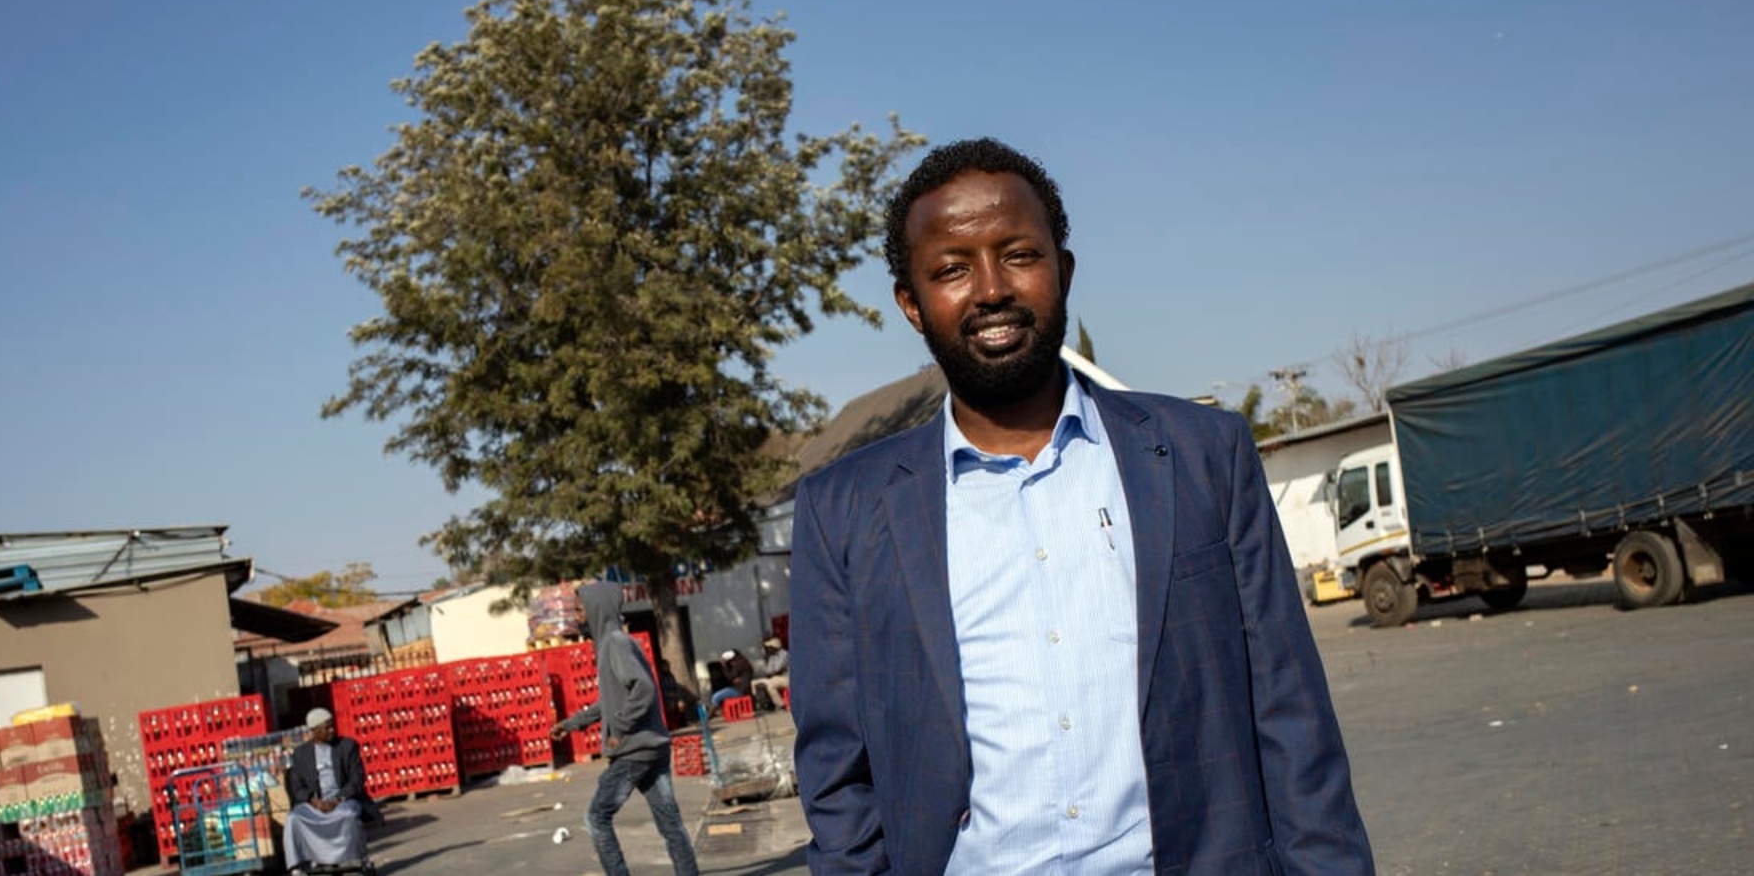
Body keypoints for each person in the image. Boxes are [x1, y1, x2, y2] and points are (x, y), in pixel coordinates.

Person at [789, 138, 1374, 876]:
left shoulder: (1201, 455)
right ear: (911, 303)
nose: (991, 289)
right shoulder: (843, 511)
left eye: (1019, 255)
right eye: (952, 269)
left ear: (1064, 271)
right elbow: (837, 775)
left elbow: (1293, 716)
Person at [549, 582, 699, 876]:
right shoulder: (613, 643)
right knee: (671, 825)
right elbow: (609, 701)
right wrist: (572, 723)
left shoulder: (615, 644)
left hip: (635, 751)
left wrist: (619, 729)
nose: (577, 617)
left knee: (596, 818)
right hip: (652, 747)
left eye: (579, 610)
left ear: (597, 609)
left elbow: (643, 689)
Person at [284, 708, 381, 874]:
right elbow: (297, 788)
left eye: (332, 726)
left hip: (344, 800)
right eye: (326, 728)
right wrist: (314, 801)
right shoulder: (301, 754)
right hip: (315, 803)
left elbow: (356, 779)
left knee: (349, 815)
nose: (332, 730)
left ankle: (361, 858)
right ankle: (298, 867)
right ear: (314, 731)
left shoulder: (347, 746)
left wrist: (338, 799)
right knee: (294, 818)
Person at [752, 637, 789, 708]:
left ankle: (781, 704)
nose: (768, 649)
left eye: (769, 648)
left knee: (770, 685)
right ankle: (760, 703)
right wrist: (771, 672)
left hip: (785, 678)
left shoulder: (784, 654)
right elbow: (768, 671)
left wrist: (772, 672)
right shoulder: (772, 657)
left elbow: (777, 669)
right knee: (754, 682)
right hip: (774, 678)